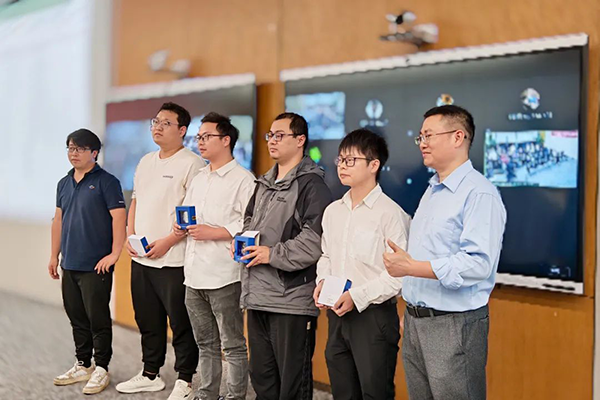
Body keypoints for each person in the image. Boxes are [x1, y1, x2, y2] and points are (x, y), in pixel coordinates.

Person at [383, 105, 507, 400]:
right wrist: (412, 308)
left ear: (457, 137)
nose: (422, 143)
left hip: (454, 324)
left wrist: (411, 268)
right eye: (420, 137)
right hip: (417, 321)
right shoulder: (432, 190)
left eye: (429, 135)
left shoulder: (479, 193)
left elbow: (477, 264)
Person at [237, 112, 332, 399]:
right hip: (257, 295)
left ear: (300, 140)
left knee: (292, 384)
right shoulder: (263, 183)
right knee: (262, 378)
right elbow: (249, 221)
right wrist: (240, 241)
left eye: (280, 135)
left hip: (290, 299)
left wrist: (270, 254)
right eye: (270, 135)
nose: (272, 141)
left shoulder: (312, 185)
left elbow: (314, 242)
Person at [313, 128, 410, 399]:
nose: (342, 166)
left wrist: (356, 297)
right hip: (337, 313)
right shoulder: (333, 211)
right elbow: (326, 255)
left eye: (351, 160)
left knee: (375, 393)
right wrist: (322, 281)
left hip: (374, 317)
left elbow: (398, 275)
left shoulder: (390, 214)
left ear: (374, 165)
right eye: (340, 160)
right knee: (343, 392)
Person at [116, 102, 204, 400]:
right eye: (155, 121)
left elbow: (192, 214)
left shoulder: (192, 163)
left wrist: (168, 241)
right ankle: (150, 374)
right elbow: (136, 201)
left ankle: (185, 379)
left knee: (180, 323)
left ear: (182, 130)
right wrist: (129, 234)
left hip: (174, 260)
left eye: (166, 123)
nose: (157, 127)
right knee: (147, 320)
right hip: (142, 257)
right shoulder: (145, 161)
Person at [175, 112, 255, 400]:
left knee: (232, 344)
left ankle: (235, 396)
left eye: (206, 136)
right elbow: (188, 214)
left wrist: (217, 232)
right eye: (198, 137)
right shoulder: (199, 178)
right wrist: (180, 225)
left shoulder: (244, 180)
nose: (200, 142)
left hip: (224, 275)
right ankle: (206, 393)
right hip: (193, 273)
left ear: (226, 140)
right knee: (205, 344)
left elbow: (251, 224)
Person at [50, 129, 126, 395]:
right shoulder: (63, 183)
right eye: (71, 148)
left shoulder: (107, 181)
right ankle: (83, 364)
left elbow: (119, 218)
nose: (74, 153)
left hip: (96, 265)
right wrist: (54, 255)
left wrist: (114, 254)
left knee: (98, 318)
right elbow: (58, 220)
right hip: (69, 262)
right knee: (76, 316)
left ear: (94, 152)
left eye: (80, 149)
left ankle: (102, 367)